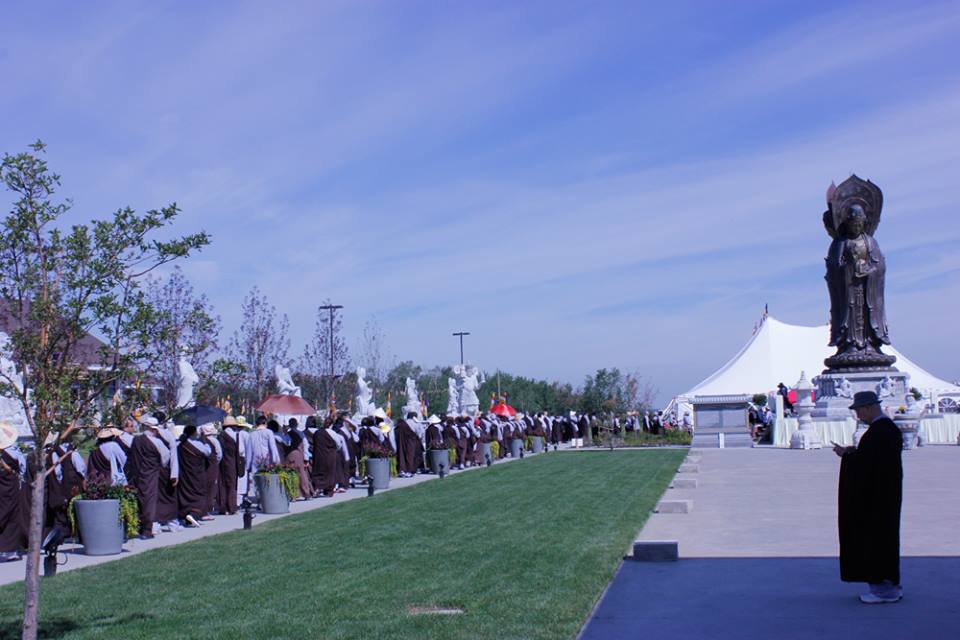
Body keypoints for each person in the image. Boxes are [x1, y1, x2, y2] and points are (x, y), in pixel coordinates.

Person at [833, 391, 903, 604]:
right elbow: (873, 460)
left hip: (876, 497)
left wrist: (847, 456)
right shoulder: (886, 430)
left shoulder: (879, 432)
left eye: (859, 411)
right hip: (885, 494)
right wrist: (854, 453)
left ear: (868, 408)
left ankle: (883, 590)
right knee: (886, 538)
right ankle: (890, 585)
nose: (858, 416)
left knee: (876, 540)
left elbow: (867, 466)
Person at [176, 425, 213, 527]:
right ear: (194, 433)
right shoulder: (198, 444)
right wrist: (204, 440)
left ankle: (187, 515)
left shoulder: (180, 445)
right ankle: (194, 515)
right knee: (199, 495)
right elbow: (208, 452)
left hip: (184, 475)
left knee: (185, 494)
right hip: (197, 474)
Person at [0, 422, 27, 561]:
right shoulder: (14, 452)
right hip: (12, 488)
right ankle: (10, 551)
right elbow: (23, 469)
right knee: (13, 518)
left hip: (2, 488)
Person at [217, 416, 247, 515]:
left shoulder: (220, 436)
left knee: (223, 485)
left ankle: (223, 508)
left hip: (222, 463)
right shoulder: (236, 435)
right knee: (232, 486)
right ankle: (231, 508)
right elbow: (241, 450)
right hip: (233, 462)